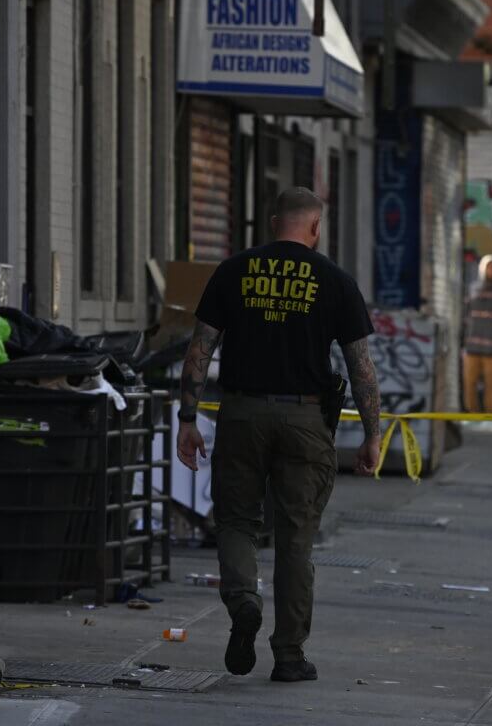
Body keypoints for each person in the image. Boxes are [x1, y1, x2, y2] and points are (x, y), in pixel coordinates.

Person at [176, 187, 382, 683]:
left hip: (242, 413)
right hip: (306, 421)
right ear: (315, 227)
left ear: (273, 222)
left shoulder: (233, 271)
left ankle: (244, 600)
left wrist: (187, 418)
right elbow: (361, 368)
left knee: (236, 521)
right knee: (296, 540)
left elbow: (199, 350)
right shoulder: (335, 281)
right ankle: (289, 655)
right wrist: (373, 435)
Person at [462, 255, 492, 413]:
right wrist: (462, 341)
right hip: (472, 346)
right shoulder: (472, 289)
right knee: (469, 382)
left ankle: (491, 415)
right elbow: (465, 316)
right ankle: (472, 413)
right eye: (489, 267)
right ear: (482, 269)